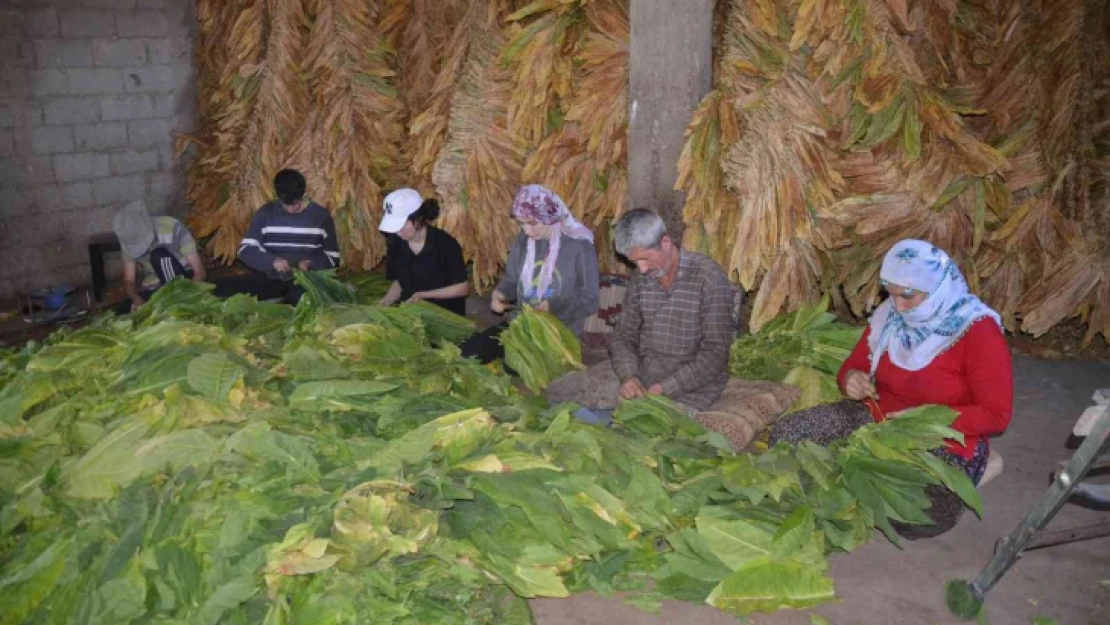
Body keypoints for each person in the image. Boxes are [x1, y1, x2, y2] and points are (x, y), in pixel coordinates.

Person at [771, 239, 1013, 539]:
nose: (898, 306)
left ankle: (980, 468)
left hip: (941, 436)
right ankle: (858, 483)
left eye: (908, 296)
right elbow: (853, 365)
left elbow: (995, 414)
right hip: (877, 419)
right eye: (892, 294)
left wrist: (924, 419)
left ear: (936, 287)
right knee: (787, 435)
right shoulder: (890, 316)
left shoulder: (977, 331)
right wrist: (852, 380)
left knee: (922, 515)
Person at [460, 184, 600, 363]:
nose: (526, 230)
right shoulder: (523, 242)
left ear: (550, 218)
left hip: (558, 332)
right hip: (522, 324)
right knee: (468, 352)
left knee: (515, 367)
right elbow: (511, 280)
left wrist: (553, 306)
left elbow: (590, 300)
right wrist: (500, 294)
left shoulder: (579, 247)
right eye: (522, 223)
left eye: (533, 223)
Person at [214, 169, 340, 304]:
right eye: (286, 204)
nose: (291, 209)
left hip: (306, 281)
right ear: (278, 196)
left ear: (303, 195)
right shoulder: (265, 214)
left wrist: (310, 263)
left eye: (295, 204)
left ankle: (281, 304)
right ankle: (276, 301)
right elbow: (246, 250)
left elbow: (332, 257)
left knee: (300, 297)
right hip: (272, 277)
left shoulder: (320, 216)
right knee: (219, 287)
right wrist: (272, 261)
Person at [377, 188, 469, 315]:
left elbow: (462, 288)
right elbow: (400, 280)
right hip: (410, 311)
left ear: (418, 219)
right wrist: (385, 302)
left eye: (401, 225)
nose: (398, 232)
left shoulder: (446, 244)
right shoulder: (396, 243)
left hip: (445, 315)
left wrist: (424, 295)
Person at [112, 200, 206, 313]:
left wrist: (185, 293)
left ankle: (174, 303)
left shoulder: (173, 227)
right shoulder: (128, 240)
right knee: (123, 309)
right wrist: (136, 298)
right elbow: (129, 280)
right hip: (155, 288)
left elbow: (200, 272)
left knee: (159, 256)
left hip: (182, 280)